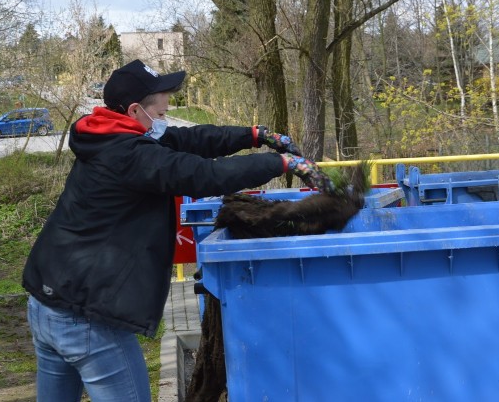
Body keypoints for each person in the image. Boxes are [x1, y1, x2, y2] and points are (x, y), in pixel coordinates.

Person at [22, 59, 334, 401]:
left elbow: (192, 139)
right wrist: (283, 162)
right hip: (88, 319)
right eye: (162, 103)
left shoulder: (109, 135)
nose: (168, 107)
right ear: (136, 110)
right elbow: (203, 175)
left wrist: (255, 135)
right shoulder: (130, 155)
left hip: (46, 301)